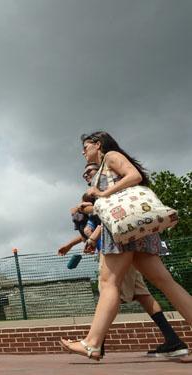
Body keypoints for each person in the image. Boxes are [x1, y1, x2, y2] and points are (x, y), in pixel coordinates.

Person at [60, 131, 192, 362]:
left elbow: (133, 176)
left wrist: (101, 194)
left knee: (108, 282)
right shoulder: (105, 165)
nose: (83, 152)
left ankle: (92, 343)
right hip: (138, 228)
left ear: (97, 144)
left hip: (124, 230)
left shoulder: (110, 156)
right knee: (165, 282)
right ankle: (92, 343)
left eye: (85, 146)